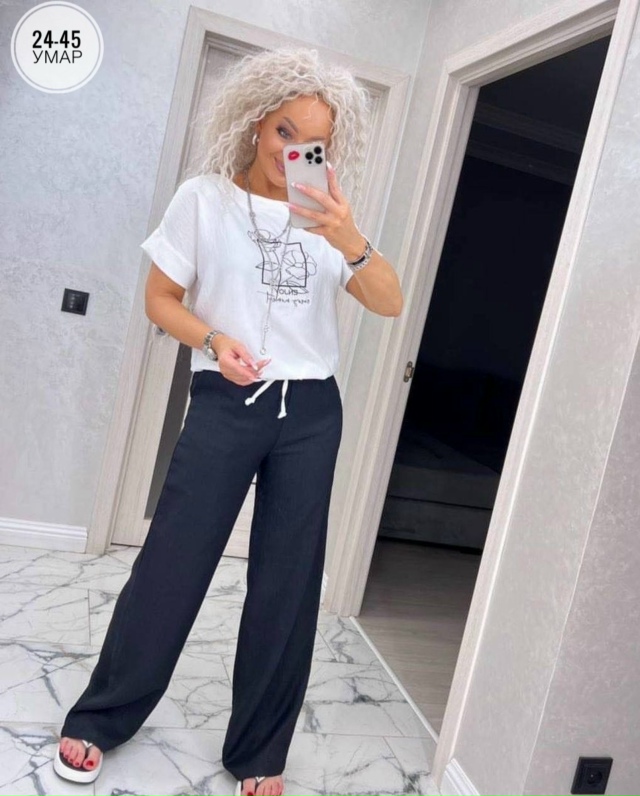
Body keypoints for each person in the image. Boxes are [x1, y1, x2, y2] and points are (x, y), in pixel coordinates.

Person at [53, 47, 403, 796]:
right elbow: (161, 299)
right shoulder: (204, 201)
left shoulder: (327, 218)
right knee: (172, 562)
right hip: (227, 400)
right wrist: (213, 340)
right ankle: (102, 717)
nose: (292, 152)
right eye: (284, 132)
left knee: (288, 583)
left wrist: (347, 237)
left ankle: (259, 752)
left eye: (313, 143)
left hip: (311, 412)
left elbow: (389, 301)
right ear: (255, 124)